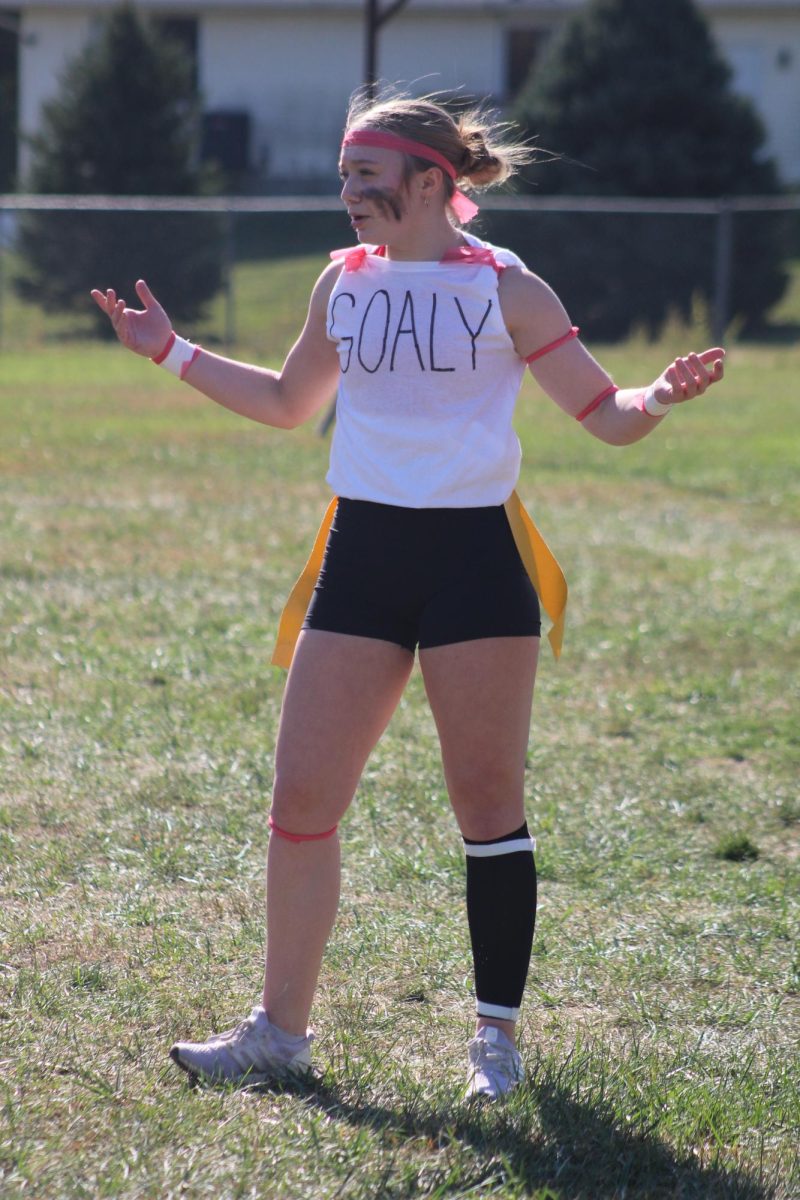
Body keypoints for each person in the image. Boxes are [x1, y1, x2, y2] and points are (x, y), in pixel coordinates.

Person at [91, 91, 725, 1101]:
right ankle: (277, 1033)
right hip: (361, 556)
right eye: (344, 176)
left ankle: (494, 1043)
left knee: (485, 807)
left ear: (432, 183)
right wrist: (170, 350)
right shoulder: (339, 282)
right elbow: (288, 402)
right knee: (300, 802)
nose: (349, 196)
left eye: (367, 178)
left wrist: (659, 397)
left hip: (474, 564)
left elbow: (604, 415)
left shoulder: (506, 288)